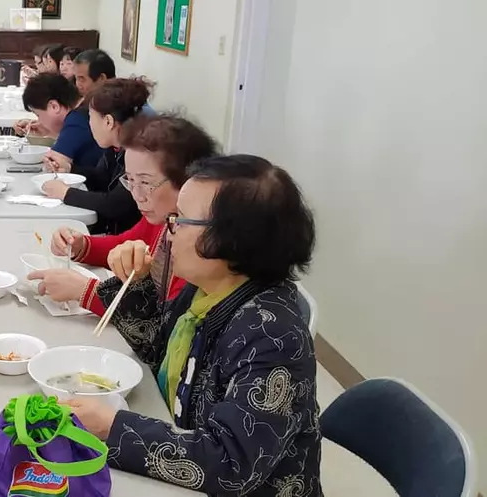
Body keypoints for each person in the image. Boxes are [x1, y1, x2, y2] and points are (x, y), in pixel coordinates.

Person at [61, 154, 321, 496]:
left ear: (233, 239)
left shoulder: (271, 334)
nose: (169, 234)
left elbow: (232, 463)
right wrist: (134, 285)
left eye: (181, 220)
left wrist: (114, 427)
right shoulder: (207, 291)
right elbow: (157, 350)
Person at [29, 114, 217, 318]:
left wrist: (86, 291)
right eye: (130, 180)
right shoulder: (162, 217)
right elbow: (125, 242)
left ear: (187, 180)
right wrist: (82, 245)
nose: (136, 195)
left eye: (145, 183)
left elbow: (163, 323)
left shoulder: (197, 246)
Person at [39, 78, 153, 235]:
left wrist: (65, 193)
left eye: (91, 117)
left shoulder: (139, 153)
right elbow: (101, 178)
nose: (89, 124)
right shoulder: (115, 147)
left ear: (108, 122)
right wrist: (69, 168)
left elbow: (116, 204)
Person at [20, 73, 104, 176]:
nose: (39, 121)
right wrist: (49, 132)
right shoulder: (84, 108)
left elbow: (54, 164)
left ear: (54, 106)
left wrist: (48, 134)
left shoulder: (76, 120)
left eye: (38, 115)